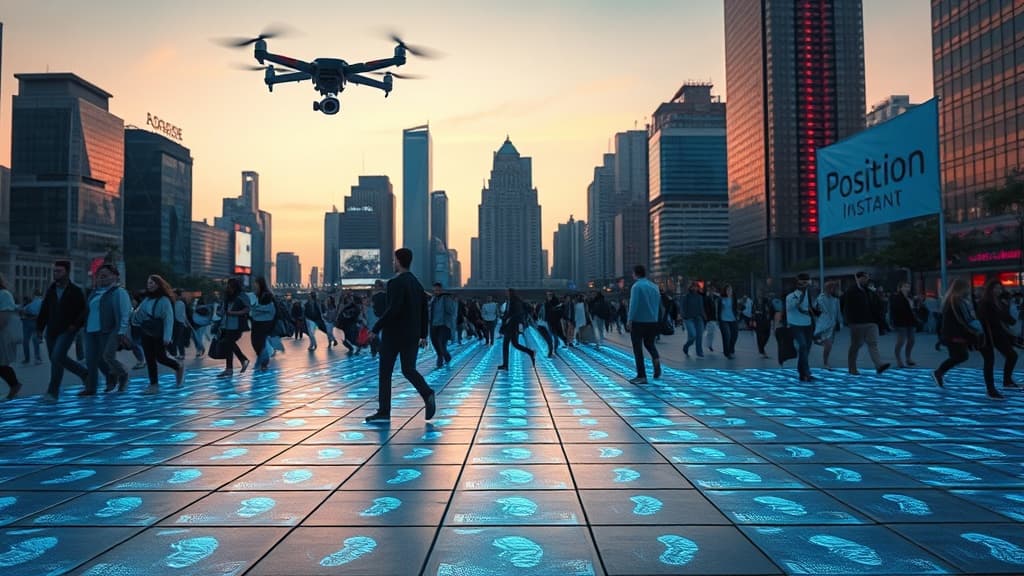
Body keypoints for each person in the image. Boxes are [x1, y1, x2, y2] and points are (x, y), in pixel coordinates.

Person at [365, 248, 435, 423]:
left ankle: (384, 411)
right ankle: (427, 393)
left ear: (398, 260)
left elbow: (393, 309)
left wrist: (376, 327)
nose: (393, 263)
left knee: (385, 372)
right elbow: (424, 310)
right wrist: (423, 334)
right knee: (408, 369)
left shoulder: (395, 283)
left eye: (394, 260)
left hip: (393, 335)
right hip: (412, 335)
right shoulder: (416, 283)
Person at [933, 278, 1002, 399]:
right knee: (979, 357)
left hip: (960, 334)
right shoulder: (956, 300)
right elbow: (964, 320)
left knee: (962, 356)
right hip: (958, 334)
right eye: (967, 287)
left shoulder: (957, 300)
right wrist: (977, 330)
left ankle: (939, 372)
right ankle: (991, 390)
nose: (969, 290)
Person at [37, 260, 89, 403]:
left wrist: (75, 325)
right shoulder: (51, 290)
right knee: (56, 360)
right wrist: (39, 329)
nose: (56, 273)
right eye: (54, 271)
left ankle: (52, 392)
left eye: (59, 271)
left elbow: (83, 311)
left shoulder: (75, 291)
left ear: (66, 272)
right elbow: (44, 310)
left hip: (67, 330)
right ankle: (84, 373)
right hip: (51, 330)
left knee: (56, 357)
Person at [83, 264, 132, 395]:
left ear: (115, 276)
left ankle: (122, 374)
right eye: (99, 276)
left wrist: (122, 331)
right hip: (90, 330)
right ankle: (101, 383)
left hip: (109, 329)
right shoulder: (94, 293)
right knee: (93, 359)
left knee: (107, 356)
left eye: (105, 275)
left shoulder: (119, 292)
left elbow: (125, 313)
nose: (102, 278)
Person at [130, 274, 184, 394]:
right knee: (149, 359)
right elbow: (138, 316)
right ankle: (153, 385)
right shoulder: (147, 300)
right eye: (149, 283)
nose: (150, 285)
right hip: (146, 332)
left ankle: (177, 366)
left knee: (161, 357)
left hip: (159, 333)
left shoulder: (164, 300)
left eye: (153, 283)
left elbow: (168, 318)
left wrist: (167, 336)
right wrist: (132, 313)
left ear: (159, 284)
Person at [841, 271, 891, 376]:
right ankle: (852, 368)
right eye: (864, 278)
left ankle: (879, 365)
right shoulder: (851, 291)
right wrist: (849, 320)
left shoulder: (869, 291)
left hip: (871, 321)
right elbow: (844, 305)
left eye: (867, 278)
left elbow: (877, 305)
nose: (866, 279)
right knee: (856, 345)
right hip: (857, 322)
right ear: (858, 278)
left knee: (873, 343)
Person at [977, 279, 1020, 393]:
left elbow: (1003, 315)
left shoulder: (998, 301)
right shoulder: (985, 302)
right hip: (988, 336)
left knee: (1012, 355)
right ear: (990, 289)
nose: (998, 290)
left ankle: (1007, 381)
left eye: (999, 288)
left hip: (998, 334)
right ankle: (991, 389)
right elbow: (989, 318)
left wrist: (1011, 321)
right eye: (995, 288)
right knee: (990, 361)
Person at [627, 264, 661, 384]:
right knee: (650, 343)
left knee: (638, 348)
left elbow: (633, 304)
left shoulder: (636, 286)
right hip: (652, 321)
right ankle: (655, 359)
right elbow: (658, 304)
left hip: (638, 321)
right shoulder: (654, 286)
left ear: (636, 273)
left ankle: (641, 375)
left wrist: (629, 319)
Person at [217, 277, 251, 378]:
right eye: (228, 286)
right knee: (228, 345)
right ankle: (231, 368)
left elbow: (247, 309)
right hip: (226, 324)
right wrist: (219, 312)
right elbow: (223, 309)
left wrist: (234, 313)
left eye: (231, 286)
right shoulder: (227, 297)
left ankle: (234, 365)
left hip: (237, 325)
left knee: (229, 343)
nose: (229, 288)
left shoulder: (242, 296)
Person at [785, 273, 815, 382]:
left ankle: (802, 371)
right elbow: (791, 307)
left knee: (806, 349)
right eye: (803, 282)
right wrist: (801, 296)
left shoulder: (809, 294)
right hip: (795, 324)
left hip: (808, 324)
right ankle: (805, 372)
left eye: (807, 282)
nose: (805, 285)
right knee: (802, 346)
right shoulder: (790, 296)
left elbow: (811, 307)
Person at [497, 288, 535, 370]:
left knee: (507, 344)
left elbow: (514, 314)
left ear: (510, 293)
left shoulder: (515, 302)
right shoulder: (511, 301)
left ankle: (505, 365)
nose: (505, 293)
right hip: (510, 326)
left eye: (507, 292)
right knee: (515, 344)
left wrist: (506, 318)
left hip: (512, 326)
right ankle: (530, 352)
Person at [0, 274, 24, 401]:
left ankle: (15, 385)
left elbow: (3, 319)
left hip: (2, 335)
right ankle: (14, 385)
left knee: (2, 363)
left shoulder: (4, 294)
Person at [250, 277, 277, 371]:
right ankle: (261, 361)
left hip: (263, 323)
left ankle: (264, 362)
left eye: (256, 283)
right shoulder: (257, 294)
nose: (254, 285)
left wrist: (255, 308)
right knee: (256, 343)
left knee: (258, 343)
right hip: (257, 322)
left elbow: (267, 308)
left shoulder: (266, 295)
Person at [813, 280, 842, 370]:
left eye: (834, 288)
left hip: (832, 325)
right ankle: (826, 363)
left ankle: (819, 342)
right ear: (827, 288)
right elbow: (814, 310)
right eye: (832, 288)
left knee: (829, 345)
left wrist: (840, 322)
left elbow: (838, 312)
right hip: (823, 324)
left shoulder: (835, 300)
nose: (833, 290)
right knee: (828, 345)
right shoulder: (820, 298)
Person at [891, 281, 919, 368]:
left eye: (908, 287)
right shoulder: (897, 297)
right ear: (900, 288)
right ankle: (899, 360)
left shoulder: (910, 297)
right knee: (901, 341)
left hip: (910, 321)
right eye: (905, 286)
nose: (907, 288)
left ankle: (908, 358)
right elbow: (895, 310)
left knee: (911, 340)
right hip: (901, 322)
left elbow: (913, 309)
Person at [429, 282, 457, 368]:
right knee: (435, 343)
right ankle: (441, 356)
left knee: (441, 344)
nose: (436, 291)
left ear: (441, 290)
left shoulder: (446, 298)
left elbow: (452, 311)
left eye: (438, 290)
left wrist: (450, 300)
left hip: (443, 325)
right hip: (433, 325)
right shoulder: (433, 299)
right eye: (435, 290)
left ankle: (444, 357)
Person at [680, 282, 706, 358]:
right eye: (693, 287)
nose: (694, 288)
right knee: (693, 335)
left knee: (699, 336)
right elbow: (682, 307)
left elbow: (702, 309)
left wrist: (705, 318)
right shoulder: (686, 297)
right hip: (689, 319)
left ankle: (699, 352)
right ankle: (686, 346)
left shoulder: (700, 297)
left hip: (698, 318)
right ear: (690, 288)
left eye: (696, 287)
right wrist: (683, 316)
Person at [19, 291, 43, 365]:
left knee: (26, 341)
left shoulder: (33, 302)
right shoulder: (40, 301)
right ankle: (37, 358)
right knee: (34, 340)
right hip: (33, 321)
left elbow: (22, 310)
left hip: (27, 321)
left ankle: (27, 359)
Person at [717, 284, 740, 359]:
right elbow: (718, 310)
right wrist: (718, 320)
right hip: (724, 320)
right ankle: (727, 353)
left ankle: (731, 349)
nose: (729, 291)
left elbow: (736, 307)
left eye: (730, 290)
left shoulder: (734, 298)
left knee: (735, 335)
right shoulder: (721, 299)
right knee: (727, 336)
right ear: (725, 291)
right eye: (727, 290)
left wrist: (737, 315)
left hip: (733, 319)